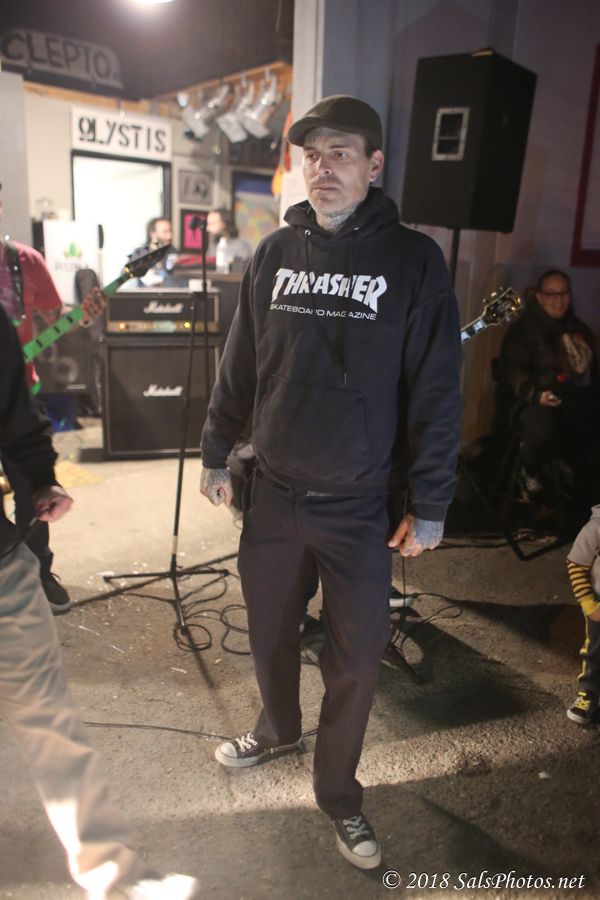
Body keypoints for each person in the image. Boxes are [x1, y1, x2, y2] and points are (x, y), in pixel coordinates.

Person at [199, 95, 461, 869]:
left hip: (360, 508)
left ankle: (340, 796)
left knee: (354, 661)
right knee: (268, 632)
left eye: (340, 152)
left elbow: (437, 389)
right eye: (312, 155)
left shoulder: (415, 261)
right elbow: (240, 363)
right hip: (274, 496)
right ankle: (278, 728)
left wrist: (432, 501)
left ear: (374, 165)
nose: (323, 168)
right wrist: (215, 450)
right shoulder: (275, 253)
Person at [0, 302, 198, 899]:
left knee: (50, 717)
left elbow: (14, 413)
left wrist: (41, 477)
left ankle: (115, 877)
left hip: (3, 563)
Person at [0, 183, 73, 612]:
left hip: (18, 395)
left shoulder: (24, 262)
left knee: (32, 492)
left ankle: (39, 572)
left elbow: (54, 315)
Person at [495, 269, 600, 501]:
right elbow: (513, 372)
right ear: (540, 297)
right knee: (543, 425)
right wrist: (536, 394)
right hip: (529, 401)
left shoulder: (577, 328)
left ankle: (578, 488)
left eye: (563, 293)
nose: (558, 300)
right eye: (552, 294)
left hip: (572, 398)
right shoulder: (525, 329)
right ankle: (531, 475)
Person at [566, 504, 600, 725]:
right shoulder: (595, 528)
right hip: (599, 605)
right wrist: (590, 605)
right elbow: (576, 565)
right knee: (596, 651)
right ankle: (589, 692)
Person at [130, 216, 175, 286]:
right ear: (153, 234)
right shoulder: (139, 253)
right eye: (165, 232)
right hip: (144, 292)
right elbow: (126, 274)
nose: (170, 236)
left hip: (168, 292)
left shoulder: (173, 252)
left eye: (170, 231)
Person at [206, 208, 251, 273]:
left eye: (212, 224)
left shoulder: (241, 246)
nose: (207, 228)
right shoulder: (213, 247)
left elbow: (246, 271)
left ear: (223, 224)